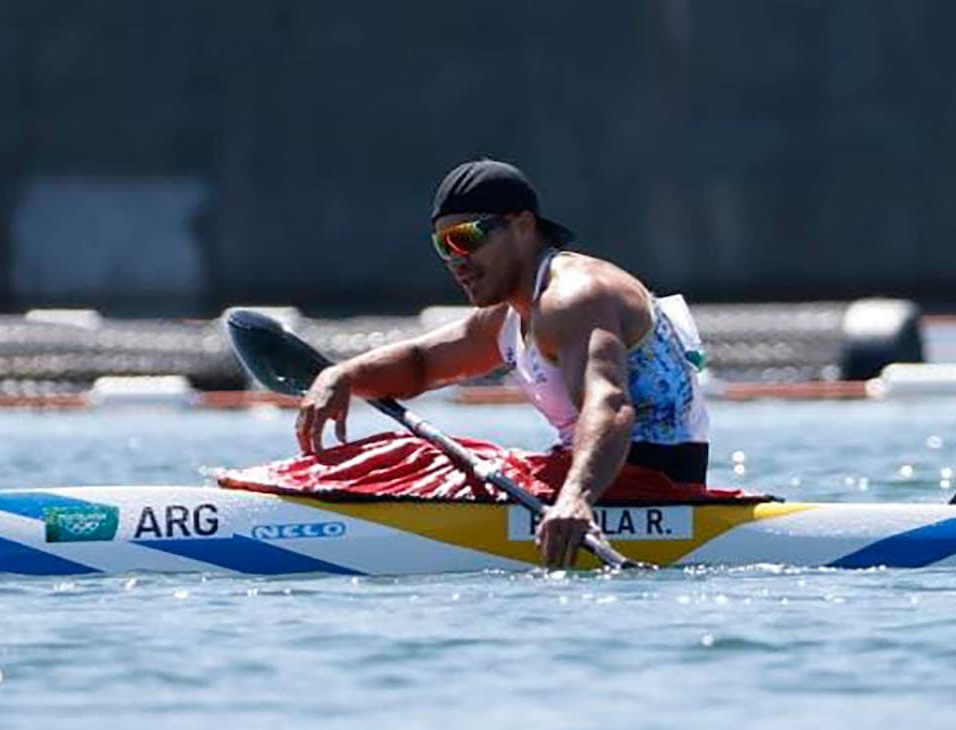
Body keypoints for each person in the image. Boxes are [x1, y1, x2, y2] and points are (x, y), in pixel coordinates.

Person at [296, 159, 710, 568]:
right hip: (596, 477)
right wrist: (342, 375)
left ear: (523, 226)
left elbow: (609, 403)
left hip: (649, 485)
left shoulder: (573, 297)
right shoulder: (510, 312)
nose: (455, 259)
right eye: (442, 245)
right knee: (416, 458)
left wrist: (576, 497)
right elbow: (422, 364)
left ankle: (293, 518)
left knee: (415, 459)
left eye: (465, 238)